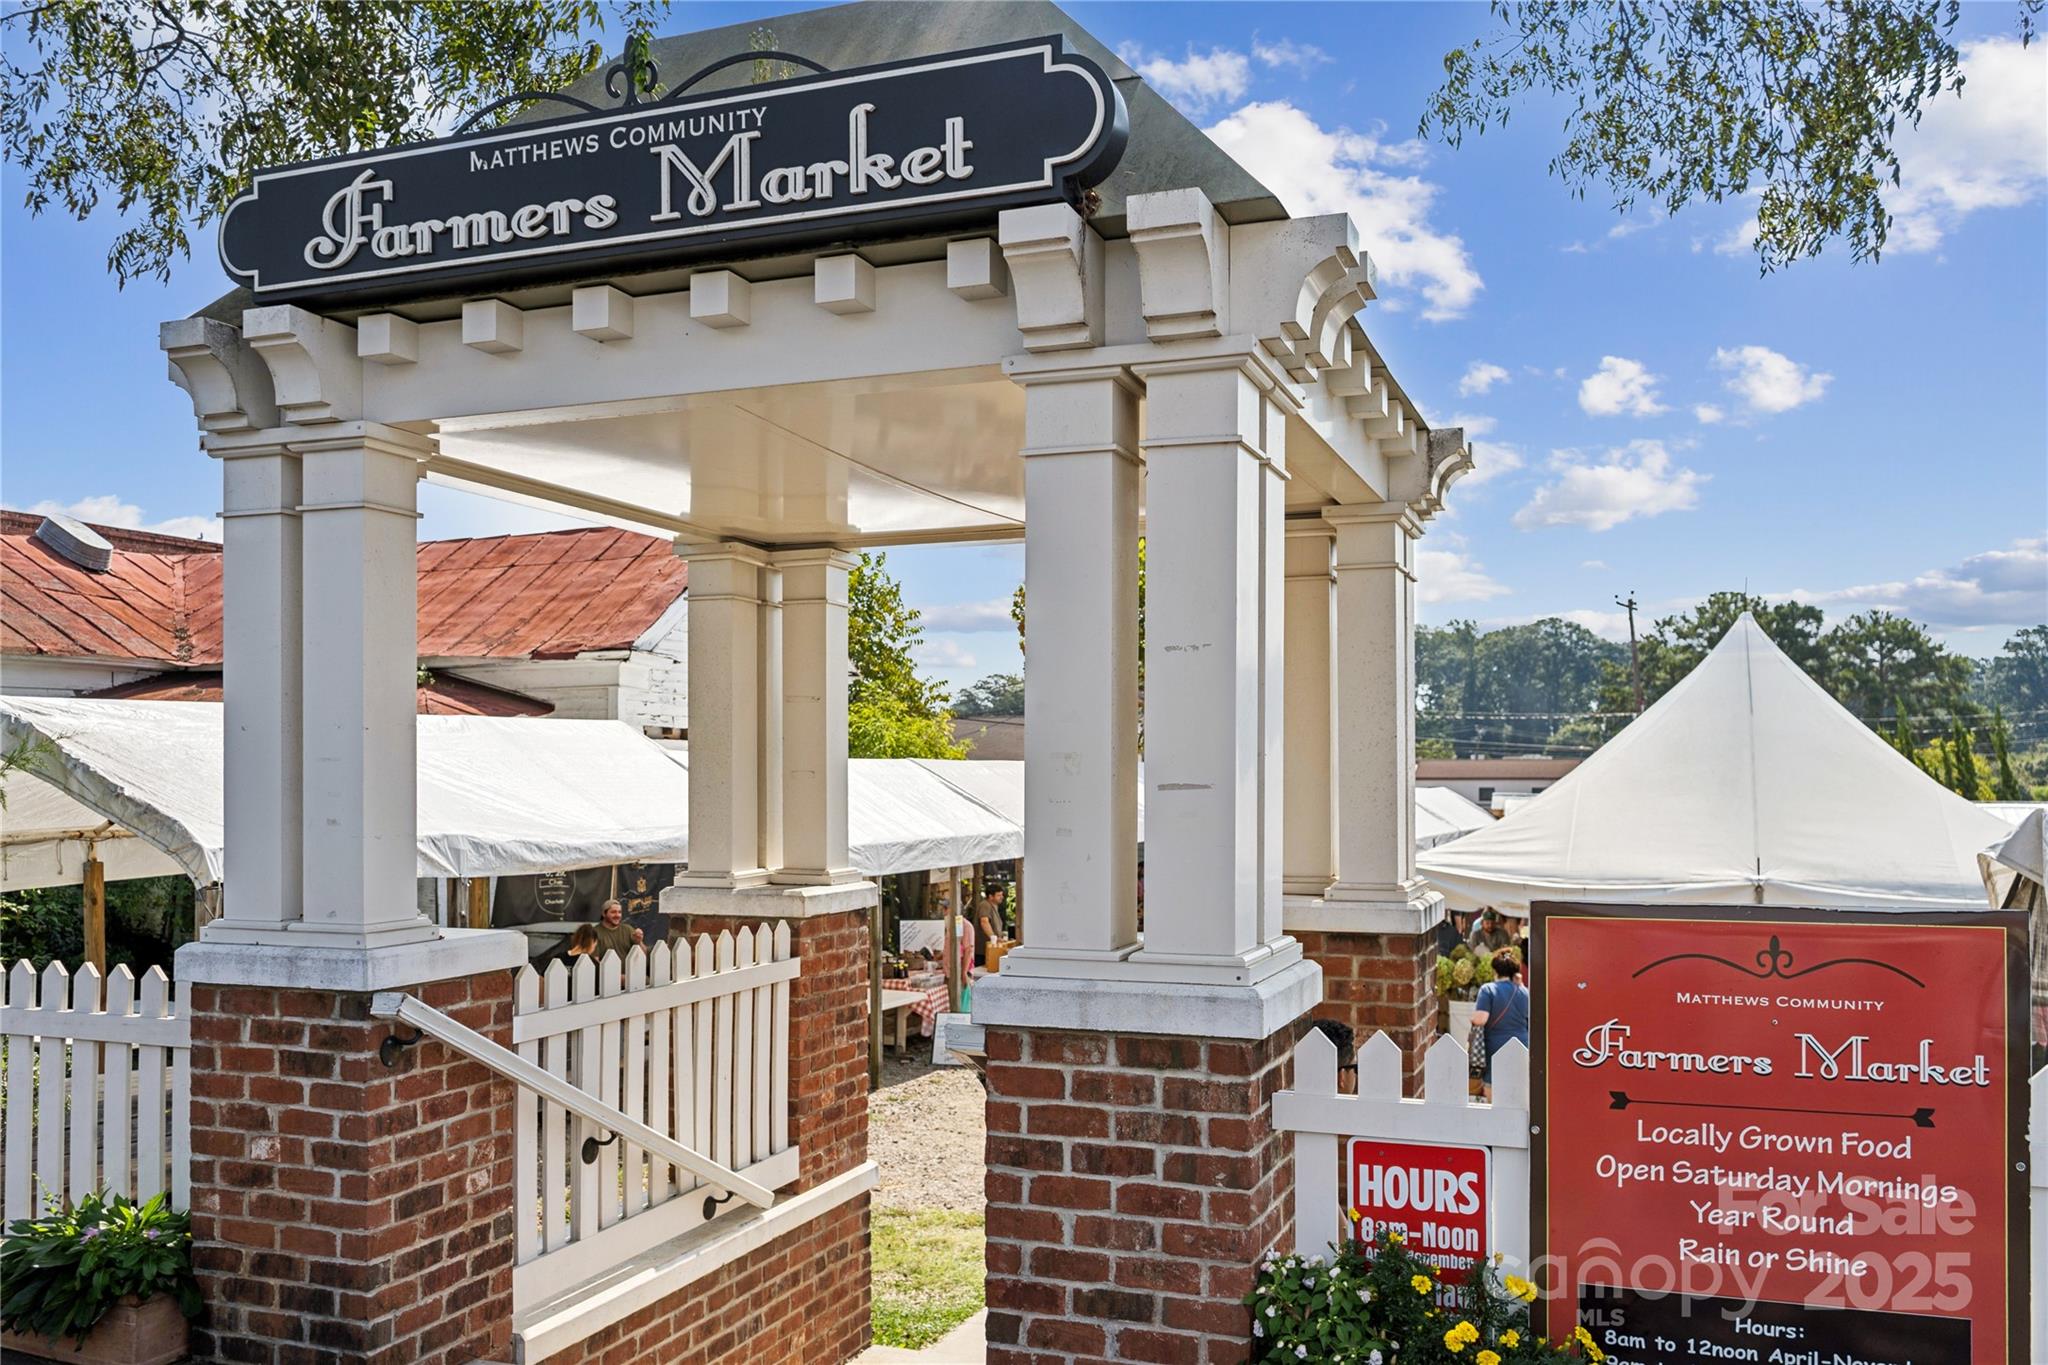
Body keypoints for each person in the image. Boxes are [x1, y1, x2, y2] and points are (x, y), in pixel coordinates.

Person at [1469, 951, 1530, 1099]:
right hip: (1522, 1044)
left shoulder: (1488, 989)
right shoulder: (1524, 991)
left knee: (1492, 1086)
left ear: (1495, 970)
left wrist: (1472, 1019)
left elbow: (1481, 1019)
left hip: (1495, 1045)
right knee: (1518, 1085)